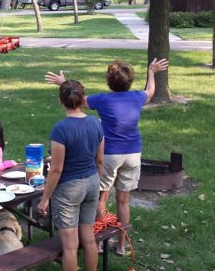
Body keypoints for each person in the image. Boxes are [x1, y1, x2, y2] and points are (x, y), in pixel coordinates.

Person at [45, 57, 169, 256]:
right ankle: (121, 245)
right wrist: (152, 72)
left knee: (101, 198)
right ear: (130, 81)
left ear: (108, 81)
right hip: (133, 154)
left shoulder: (102, 100)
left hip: (110, 155)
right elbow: (151, 91)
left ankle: (100, 242)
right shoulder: (137, 97)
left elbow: (78, 100)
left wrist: (63, 83)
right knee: (123, 201)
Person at [37, 80, 105, 271]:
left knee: (69, 246)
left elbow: (56, 170)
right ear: (83, 99)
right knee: (89, 239)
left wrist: (45, 198)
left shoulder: (60, 129)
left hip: (68, 189)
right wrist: (97, 182)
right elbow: (100, 160)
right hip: (92, 182)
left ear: (61, 101)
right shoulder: (96, 123)